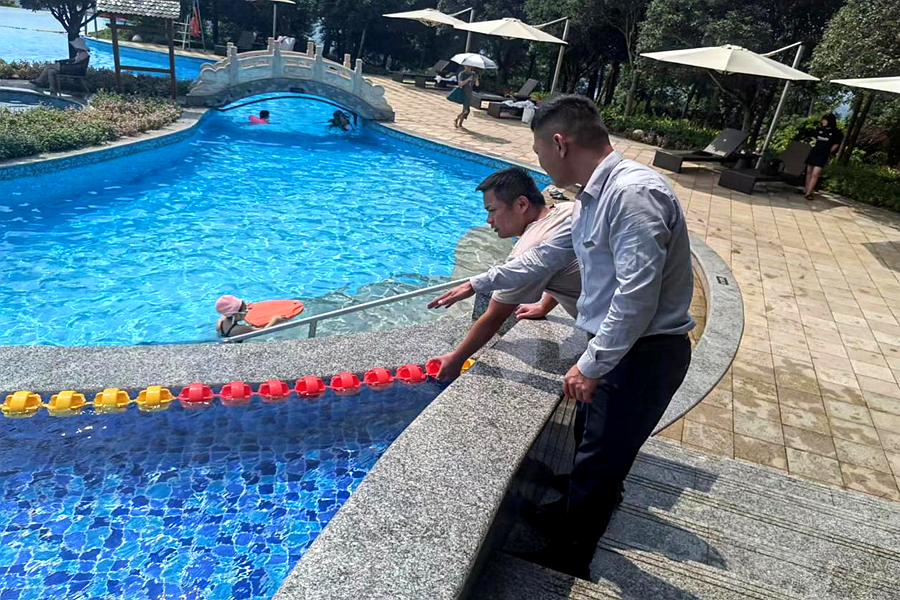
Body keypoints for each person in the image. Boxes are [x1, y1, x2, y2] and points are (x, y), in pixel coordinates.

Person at [428, 95, 695, 579]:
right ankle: (570, 513)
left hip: (642, 352)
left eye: (538, 150)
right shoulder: (591, 199)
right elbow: (543, 260)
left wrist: (592, 364)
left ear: (559, 143)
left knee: (600, 459)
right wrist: (478, 281)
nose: (540, 162)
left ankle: (571, 557)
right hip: (618, 345)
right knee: (588, 441)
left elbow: (636, 295)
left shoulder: (633, 194)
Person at [428, 168, 581, 380]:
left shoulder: (527, 250)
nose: (489, 220)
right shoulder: (567, 209)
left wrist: (456, 358)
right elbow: (564, 265)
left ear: (521, 204)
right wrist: (544, 307)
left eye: (492, 210)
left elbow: (495, 316)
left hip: (609, 335)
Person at [801, 113, 843, 200]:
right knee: (809, 171)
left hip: (823, 154)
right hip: (815, 152)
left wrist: (829, 151)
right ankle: (806, 189)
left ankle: (809, 192)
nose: (823, 121)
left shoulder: (836, 132)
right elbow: (813, 135)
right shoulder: (820, 129)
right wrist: (815, 141)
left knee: (815, 173)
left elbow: (836, 144)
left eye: (825, 120)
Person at [215, 295, 287, 338]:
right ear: (236, 315)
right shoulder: (241, 329)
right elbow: (262, 332)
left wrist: (243, 306)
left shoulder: (220, 322)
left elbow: (227, 311)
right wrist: (274, 321)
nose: (247, 311)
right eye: (245, 310)